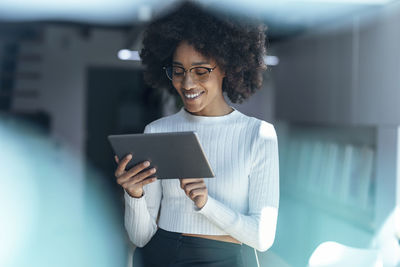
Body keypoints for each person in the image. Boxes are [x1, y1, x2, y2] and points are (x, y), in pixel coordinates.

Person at [113, 2, 279, 266]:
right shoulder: (157, 131)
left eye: (201, 71)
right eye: (178, 71)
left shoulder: (258, 135)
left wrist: (206, 203)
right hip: (163, 256)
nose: (187, 83)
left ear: (227, 66)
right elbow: (142, 237)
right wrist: (134, 194)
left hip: (226, 259)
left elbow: (262, 237)